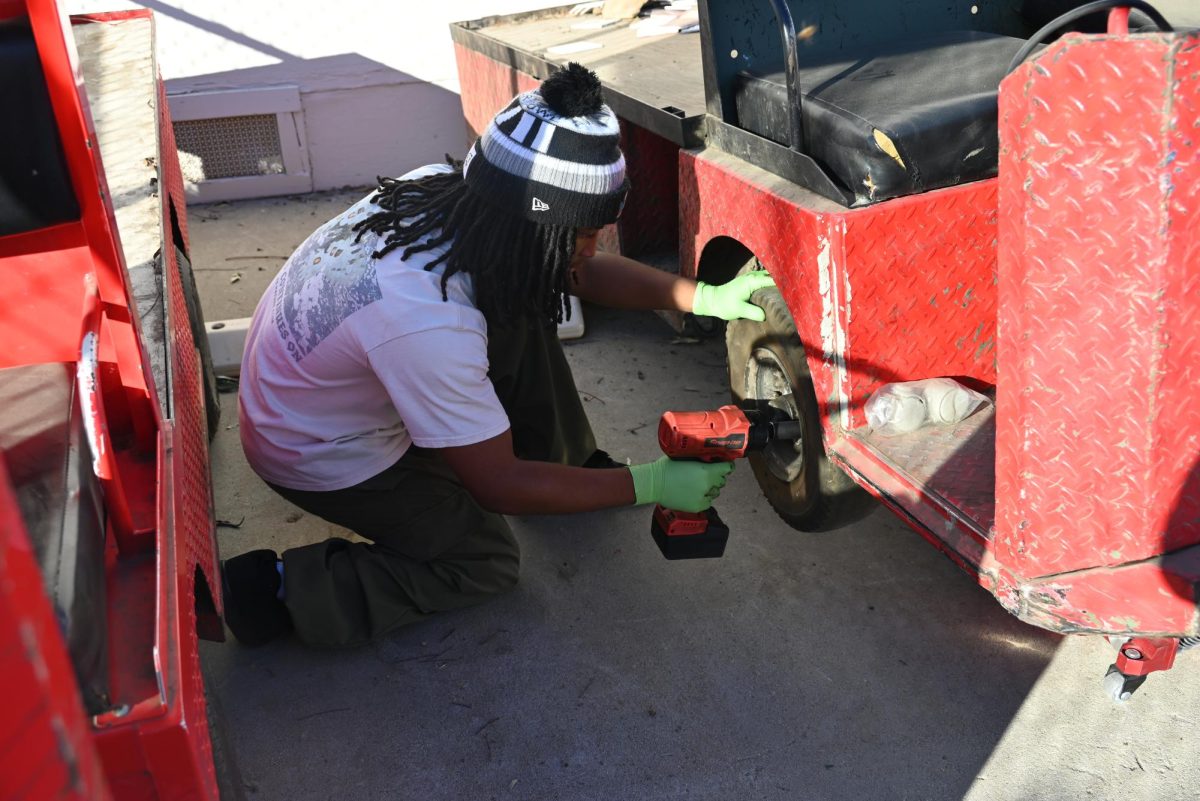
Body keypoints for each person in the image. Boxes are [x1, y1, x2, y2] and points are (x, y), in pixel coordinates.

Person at [223, 63, 775, 648]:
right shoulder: (426, 320)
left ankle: (565, 470)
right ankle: (282, 591)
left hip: (325, 387)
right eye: (583, 235)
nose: (592, 249)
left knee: (524, 296)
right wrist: (652, 484)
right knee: (482, 562)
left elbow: (570, 270)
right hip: (316, 452)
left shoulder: (458, 194)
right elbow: (497, 486)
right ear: (532, 229)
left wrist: (701, 296)